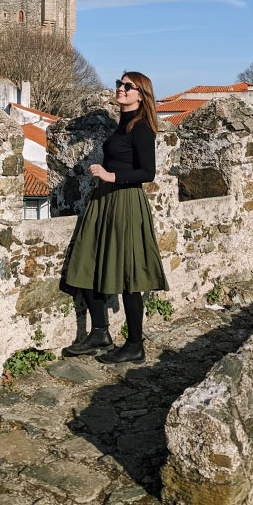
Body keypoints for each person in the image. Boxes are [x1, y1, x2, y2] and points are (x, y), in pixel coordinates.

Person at [63, 71, 169, 363]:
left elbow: (148, 172)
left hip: (125, 203)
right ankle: (100, 333)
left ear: (140, 94)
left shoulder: (142, 128)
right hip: (104, 202)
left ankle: (135, 345)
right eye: (119, 84)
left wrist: (111, 175)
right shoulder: (122, 126)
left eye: (127, 86)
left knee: (128, 274)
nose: (120, 89)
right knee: (87, 262)